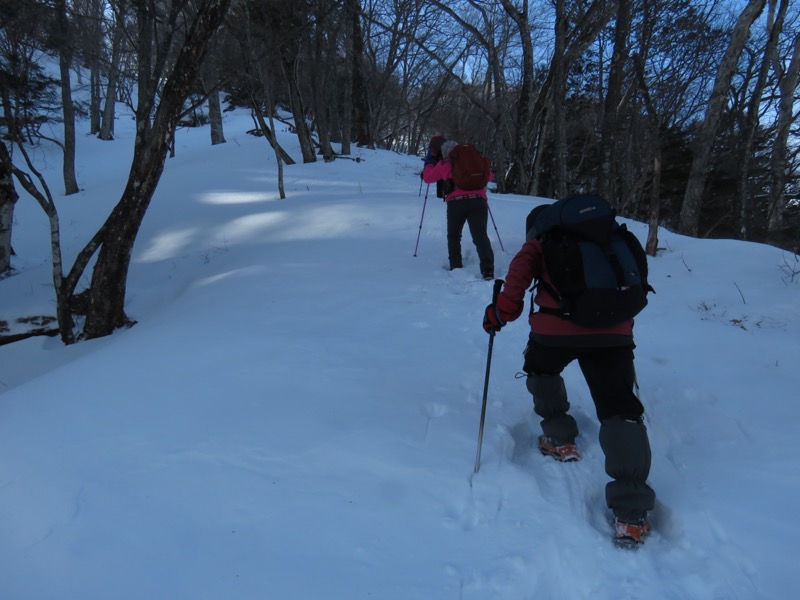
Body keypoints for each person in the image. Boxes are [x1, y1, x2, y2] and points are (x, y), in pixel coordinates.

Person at [481, 201, 656, 547]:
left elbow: (513, 293)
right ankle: (631, 513)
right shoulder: (611, 239)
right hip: (613, 333)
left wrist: (496, 316)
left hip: (554, 332)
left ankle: (560, 437)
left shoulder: (539, 244)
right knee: (619, 405)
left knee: (540, 367)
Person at [421, 138, 494, 280]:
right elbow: (490, 176)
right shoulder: (472, 162)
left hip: (456, 203)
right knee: (480, 236)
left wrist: (430, 163)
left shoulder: (445, 164)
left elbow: (428, 178)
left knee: (454, 236)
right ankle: (488, 269)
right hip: (479, 201)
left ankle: (456, 266)